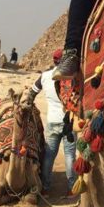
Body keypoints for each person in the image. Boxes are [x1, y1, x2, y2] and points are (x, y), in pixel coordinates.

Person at [25, 49, 77, 194]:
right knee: (70, 155)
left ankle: (45, 187)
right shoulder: (72, 76)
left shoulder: (45, 76)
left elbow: (32, 93)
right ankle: (72, 188)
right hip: (69, 121)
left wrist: (29, 106)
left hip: (52, 121)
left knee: (49, 155)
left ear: (54, 61)